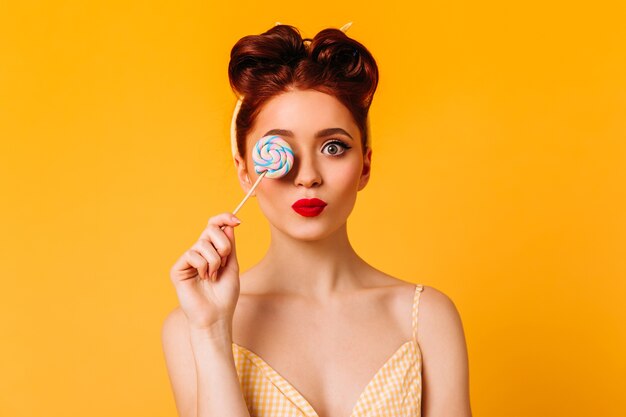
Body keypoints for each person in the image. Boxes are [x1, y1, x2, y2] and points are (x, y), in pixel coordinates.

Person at [161, 23, 472, 417]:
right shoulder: (191, 326)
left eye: (333, 147)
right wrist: (211, 332)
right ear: (245, 172)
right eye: (281, 149)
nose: (307, 175)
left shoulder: (425, 319)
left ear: (364, 166)